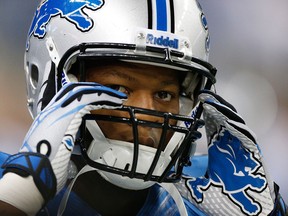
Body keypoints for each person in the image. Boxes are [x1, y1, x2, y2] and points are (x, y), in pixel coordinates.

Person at [0, 0, 287, 215]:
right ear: (51, 84)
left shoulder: (213, 196)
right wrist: (18, 196)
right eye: (120, 89)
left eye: (164, 93)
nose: (146, 113)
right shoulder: (8, 184)